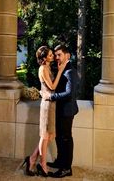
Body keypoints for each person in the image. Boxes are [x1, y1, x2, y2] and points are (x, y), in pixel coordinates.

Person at [21, 45, 68, 177]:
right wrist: (60, 71)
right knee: (45, 136)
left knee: (46, 136)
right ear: (44, 58)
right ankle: (43, 164)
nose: (53, 56)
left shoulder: (47, 67)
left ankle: (31, 159)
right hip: (47, 105)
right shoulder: (42, 69)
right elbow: (52, 86)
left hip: (51, 104)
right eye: (50, 55)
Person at [42, 44, 79, 178]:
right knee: (59, 138)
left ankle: (66, 168)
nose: (57, 57)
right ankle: (60, 162)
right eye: (56, 55)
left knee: (66, 139)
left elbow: (69, 93)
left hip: (67, 111)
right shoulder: (62, 68)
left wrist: (51, 96)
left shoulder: (70, 71)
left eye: (59, 55)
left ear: (67, 55)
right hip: (60, 110)